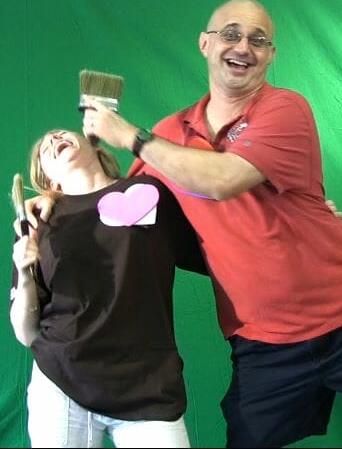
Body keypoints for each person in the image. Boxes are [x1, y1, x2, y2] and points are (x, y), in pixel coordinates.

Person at [25, 0, 342, 448]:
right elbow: (119, 211)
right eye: (231, 33)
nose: (244, 45)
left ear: (271, 55)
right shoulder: (168, 134)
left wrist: (130, 136)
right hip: (266, 346)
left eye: (258, 39)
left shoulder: (284, 108)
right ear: (205, 43)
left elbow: (225, 180)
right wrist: (55, 206)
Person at [10, 129, 207, 448]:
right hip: (62, 383)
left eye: (60, 134)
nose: (52, 139)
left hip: (148, 385)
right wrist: (24, 269)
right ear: (49, 180)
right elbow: (25, 333)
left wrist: (303, 222)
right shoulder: (39, 223)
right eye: (43, 149)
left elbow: (218, 242)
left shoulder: (148, 191)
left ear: (95, 146)